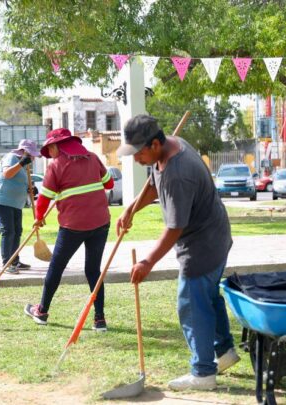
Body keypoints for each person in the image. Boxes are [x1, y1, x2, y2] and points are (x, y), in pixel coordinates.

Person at [116, 114, 239, 391]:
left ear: (156, 143)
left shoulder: (178, 174)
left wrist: (147, 262)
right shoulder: (171, 146)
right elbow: (152, 182)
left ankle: (203, 373)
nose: (136, 160)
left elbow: (174, 228)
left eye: (138, 154)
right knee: (207, 298)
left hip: (203, 245)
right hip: (216, 236)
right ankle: (224, 353)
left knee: (191, 305)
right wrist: (131, 208)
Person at [24, 128, 114, 332]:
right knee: (93, 271)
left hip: (73, 226)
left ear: (57, 145)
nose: (50, 153)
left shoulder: (56, 165)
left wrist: (39, 218)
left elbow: (44, 198)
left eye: (50, 148)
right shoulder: (93, 158)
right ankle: (99, 320)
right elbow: (108, 183)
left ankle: (42, 312)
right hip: (100, 223)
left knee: (56, 267)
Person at [0, 139, 40, 275]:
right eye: (32, 155)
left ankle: (15, 260)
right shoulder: (11, 158)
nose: (34, 158)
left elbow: (20, 182)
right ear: (24, 152)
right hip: (2, 201)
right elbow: (7, 174)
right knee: (8, 231)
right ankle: (7, 264)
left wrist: (30, 190)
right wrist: (22, 162)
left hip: (15, 203)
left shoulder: (25, 167)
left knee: (17, 231)